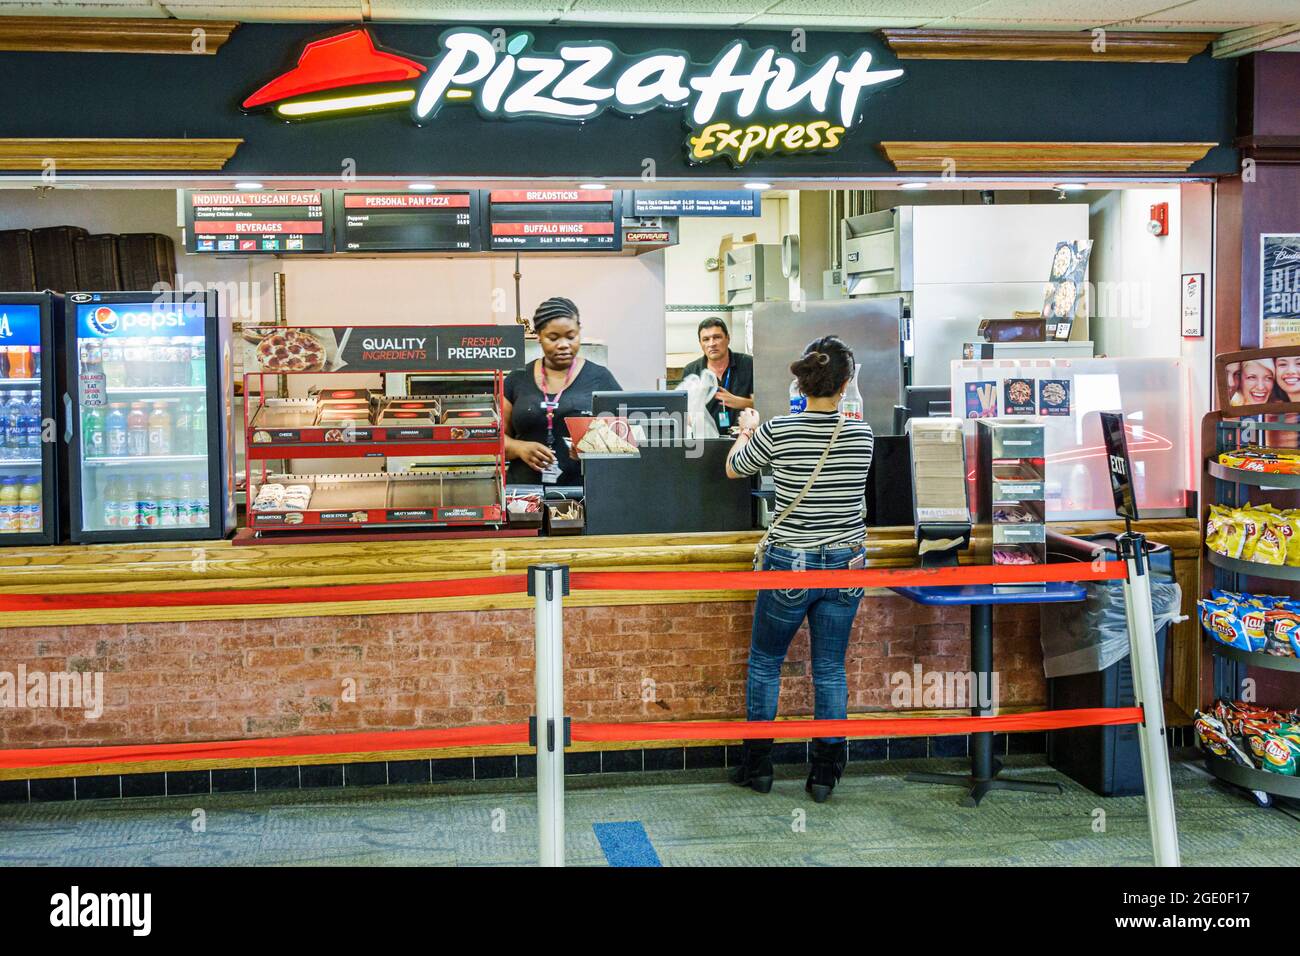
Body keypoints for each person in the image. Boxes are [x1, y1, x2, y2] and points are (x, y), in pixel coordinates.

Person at [724, 335, 874, 803]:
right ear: (846, 383)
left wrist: (749, 430)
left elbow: (734, 468)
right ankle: (825, 772)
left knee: (766, 662)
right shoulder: (861, 433)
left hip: (791, 560)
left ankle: (759, 767)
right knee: (829, 667)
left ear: (800, 381)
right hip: (846, 564)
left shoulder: (780, 430)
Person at [503, 297, 621, 486]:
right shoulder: (517, 379)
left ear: (579, 332)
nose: (563, 344)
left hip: (583, 494)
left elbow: (622, 439)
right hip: (524, 496)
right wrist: (518, 448)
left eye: (571, 336)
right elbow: (493, 438)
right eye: (553, 338)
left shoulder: (600, 378)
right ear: (539, 336)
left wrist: (593, 447)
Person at [679, 317, 754, 433]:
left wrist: (739, 402)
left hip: (744, 437)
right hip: (706, 440)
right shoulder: (692, 371)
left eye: (717, 337)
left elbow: (766, 404)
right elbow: (684, 412)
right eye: (706, 339)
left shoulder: (749, 364)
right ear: (700, 343)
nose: (712, 344)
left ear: (728, 338)